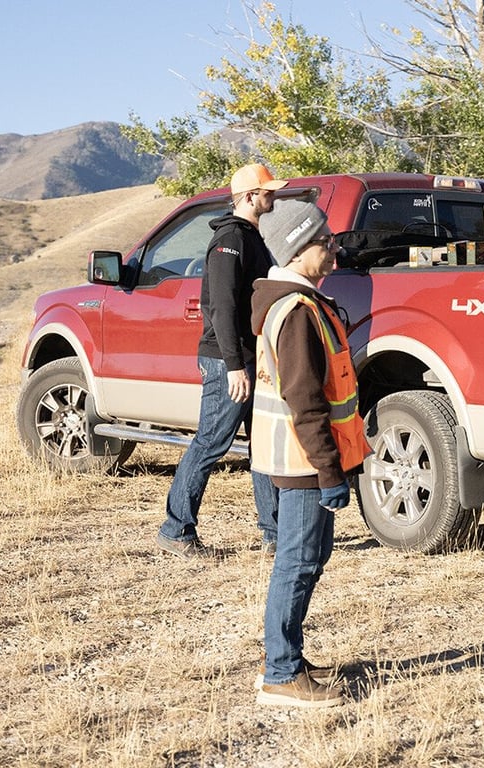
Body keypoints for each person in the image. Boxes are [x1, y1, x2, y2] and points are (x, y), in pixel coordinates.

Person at [248, 199, 371, 708]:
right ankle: (280, 674)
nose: (334, 247)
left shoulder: (300, 303)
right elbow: (306, 401)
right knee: (297, 563)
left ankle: (288, 658)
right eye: (325, 241)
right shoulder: (297, 313)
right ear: (297, 250)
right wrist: (328, 471)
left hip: (302, 460)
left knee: (308, 559)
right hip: (302, 463)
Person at [157, 163, 286, 559]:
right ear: (249, 197)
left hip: (251, 358)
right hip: (228, 362)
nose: (274, 196)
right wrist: (233, 365)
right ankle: (176, 530)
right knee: (211, 443)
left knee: (262, 446)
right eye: (267, 191)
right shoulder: (230, 240)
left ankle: (275, 535)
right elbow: (223, 308)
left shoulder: (251, 237)